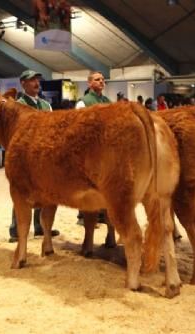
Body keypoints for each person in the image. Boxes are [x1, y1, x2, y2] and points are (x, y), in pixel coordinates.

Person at [9, 70, 61, 243]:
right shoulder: (17, 106)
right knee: (20, 192)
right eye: (32, 80)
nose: (36, 83)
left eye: (37, 80)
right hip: (24, 158)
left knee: (44, 191)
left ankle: (41, 228)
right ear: (23, 84)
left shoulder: (46, 105)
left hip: (43, 157)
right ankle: (16, 230)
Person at [74, 71, 111, 229]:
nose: (101, 81)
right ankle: (83, 215)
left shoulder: (108, 101)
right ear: (89, 83)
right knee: (87, 184)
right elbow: (78, 127)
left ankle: (102, 214)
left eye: (103, 79)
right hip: (88, 150)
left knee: (103, 183)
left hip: (105, 149)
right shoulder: (83, 102)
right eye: (97, 79)